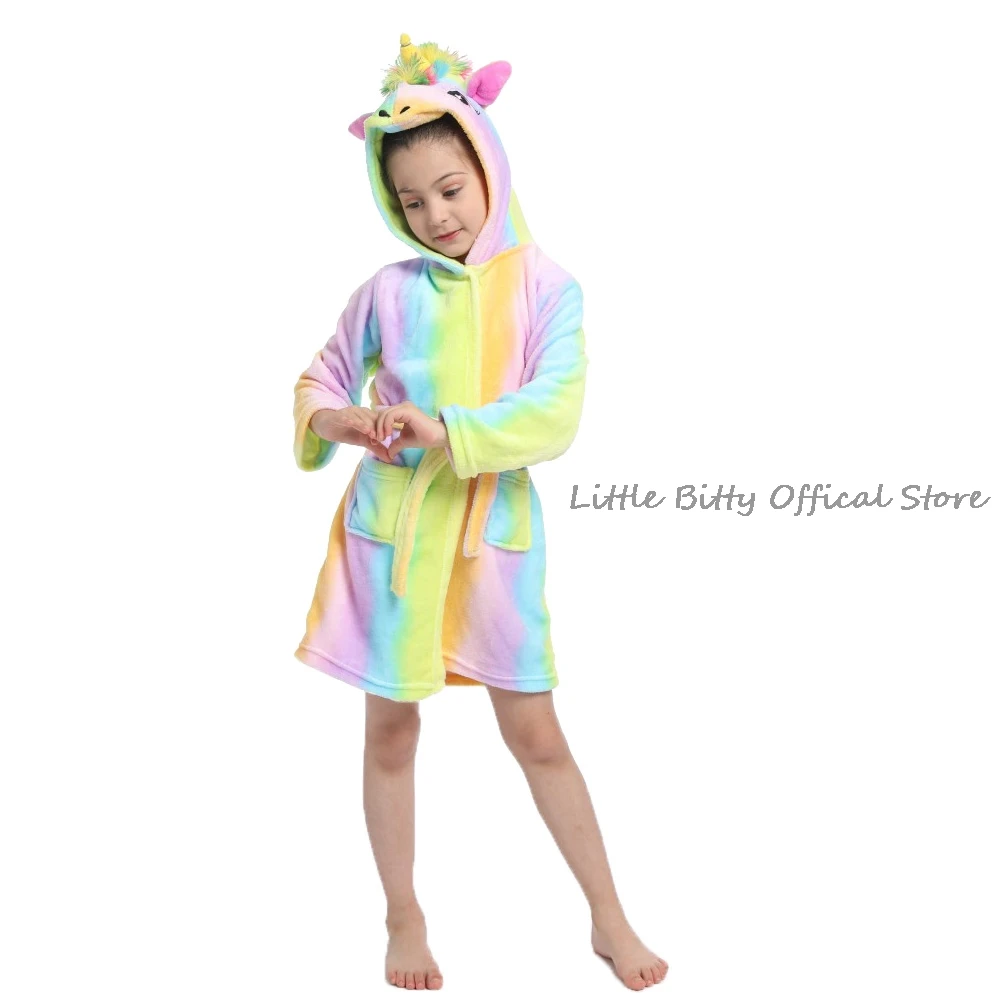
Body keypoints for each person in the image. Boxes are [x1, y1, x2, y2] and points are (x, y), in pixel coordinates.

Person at [292, 34, 668, 992]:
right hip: (395, 538)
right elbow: (319, 381)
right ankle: (403, 916)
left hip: (492, 541)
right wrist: (343, 420)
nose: (436, 215)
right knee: (390, 733)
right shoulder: (386, 292)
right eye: (411, 201)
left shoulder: (548, 287)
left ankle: (608, 914)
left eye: (451, 189)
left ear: (490, 169)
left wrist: (449, 430)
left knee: (537, 733)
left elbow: (555, 412)